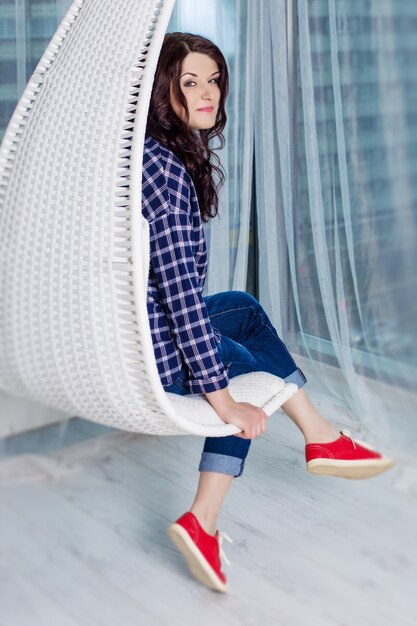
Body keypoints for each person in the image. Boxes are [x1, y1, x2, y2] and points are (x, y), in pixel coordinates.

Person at [142, 32, 394, 593]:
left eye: (214, 80)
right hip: (156, 351)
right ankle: (202, 519)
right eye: (190, 83)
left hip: (136, 331)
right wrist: (224, 396)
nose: (208, 94)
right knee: (251, 379)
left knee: (242, 308)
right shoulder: (169, 177)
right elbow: (182, 301)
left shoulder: (146, 154)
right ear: (164, 93)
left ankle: (319, 433)